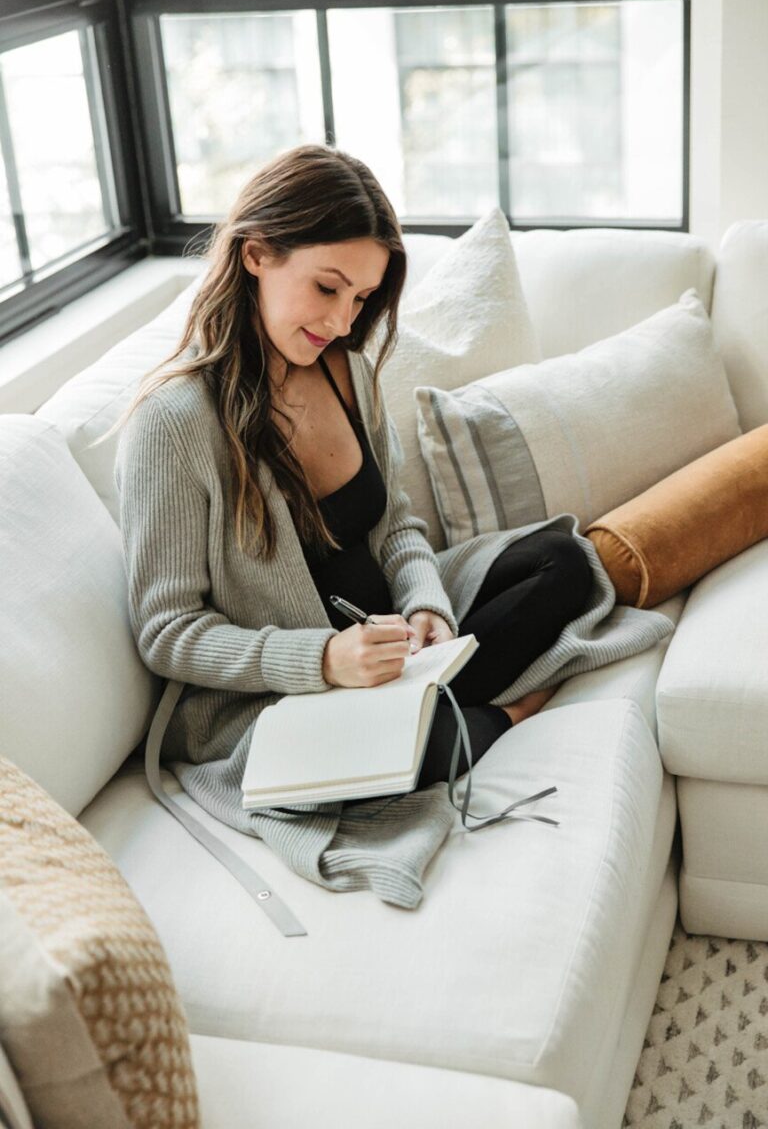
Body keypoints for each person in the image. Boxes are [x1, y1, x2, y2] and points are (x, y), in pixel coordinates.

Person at [115, 145, 670, 912]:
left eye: (362, 297)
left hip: (392, 652)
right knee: (406, 755)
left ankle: (441, 708)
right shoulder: (172, 425)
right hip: (286, 693)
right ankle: (493, 716)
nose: (342, 320)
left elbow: (397, 525)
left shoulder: (349, 370)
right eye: (327, 288)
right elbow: (167, 630)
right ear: (256, 254)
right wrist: (325, 660)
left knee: (565, 561)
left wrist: (427, 607)